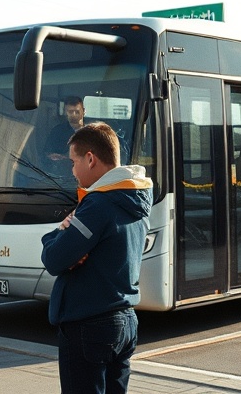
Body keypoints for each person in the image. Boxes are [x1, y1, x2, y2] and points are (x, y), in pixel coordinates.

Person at [40, 122, 153, 394]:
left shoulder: (97, 205)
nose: (72, 171)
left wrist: (58, 233)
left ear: (90, 159)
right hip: (125, 320)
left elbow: (54, 259)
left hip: (89, 324)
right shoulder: (134, 198)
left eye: (73, 162)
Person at [45, 95, 86, 163]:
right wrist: (53, 157)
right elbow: (47, 154)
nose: (74, 115)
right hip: (62, 168)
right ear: (65, 112)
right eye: (70, 112)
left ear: (84, 111)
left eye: (77, 112)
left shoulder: (92, 133)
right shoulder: (57, 132)